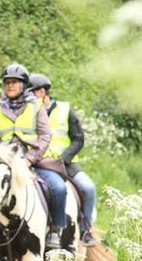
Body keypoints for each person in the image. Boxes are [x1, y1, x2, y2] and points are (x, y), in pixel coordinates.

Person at [0, 62, 65, 251]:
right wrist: (0, 156)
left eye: (14, 82)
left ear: (23, 85)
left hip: (31, 161)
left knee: (59, 187)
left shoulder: (36, 106)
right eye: (7, 82)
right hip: (5, 163)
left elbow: (45, 135)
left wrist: (29, 159)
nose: (10, 85)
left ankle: (55, 230)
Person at [30, 73, 98, 246]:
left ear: (43, 92)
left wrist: (65, 157)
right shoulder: (29, 112)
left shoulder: (65, 110)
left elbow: (78, 138)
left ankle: (85, 230)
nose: (30, 97)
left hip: (66, 163)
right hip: (40, 162)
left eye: (33, 92)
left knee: (88, 188)